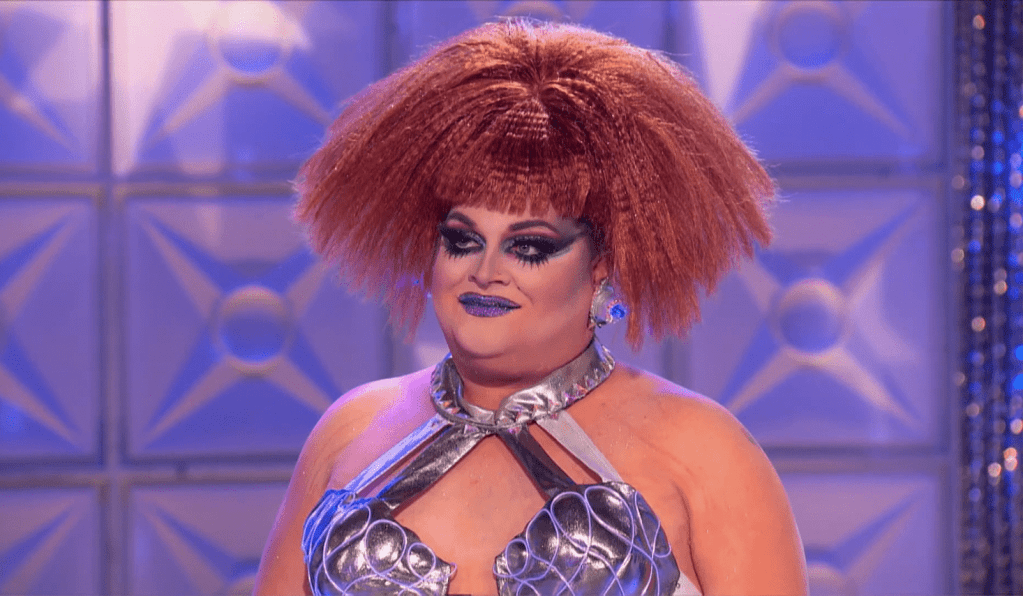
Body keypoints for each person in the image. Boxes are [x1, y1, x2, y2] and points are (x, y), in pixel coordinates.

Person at [253, 19, 807, 596]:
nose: (485, 271)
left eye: (529, 247)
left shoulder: (704, 450)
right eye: (462, 240)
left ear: (601, 265)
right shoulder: (351, 430)